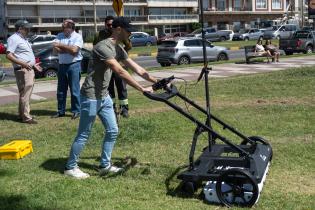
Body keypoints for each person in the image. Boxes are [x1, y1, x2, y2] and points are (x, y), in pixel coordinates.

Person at [64, 17, 158, 179]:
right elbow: (119, 71)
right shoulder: (103, 46)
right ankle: (70, 167)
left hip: (104, 95)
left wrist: (158, 82)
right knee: (84, 134)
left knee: (113, 130)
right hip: (91, 96)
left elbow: (137, 68)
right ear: (119, 29)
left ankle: (105, 165)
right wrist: (142, 89)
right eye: (128, 30)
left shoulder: (118, 48)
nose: (130, 33)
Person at [94, 15, 131, 118]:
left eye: (112, 24)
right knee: (109, 89)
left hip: (120, 65)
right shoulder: (99, 35)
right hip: (107, 67)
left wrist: (122, 48)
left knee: (122, 88)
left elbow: (128, 46)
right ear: (105, 24)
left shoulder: (119, 34)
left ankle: (124, 108)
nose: (111, 26)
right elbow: (95, 48)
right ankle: (112, 107)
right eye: (109, 24)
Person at [6, 20, 42, 124]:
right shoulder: (13, 38)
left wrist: (33, 64)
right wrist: (24, 64)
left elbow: (24, 55)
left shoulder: (23, 39)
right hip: (23, 70)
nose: (28, 29)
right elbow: (9, 55)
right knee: (25, 93)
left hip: (28, 68)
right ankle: (26, 117)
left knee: (24, 93)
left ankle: (22, 115)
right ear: (20, 29)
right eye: (26, 28)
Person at [52, 19, 83, 120]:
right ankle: (61, 111)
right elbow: (55, 51)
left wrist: (61, 46)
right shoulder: (59, 35)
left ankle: (76, 111)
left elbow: (74, 51)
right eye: (62, 27)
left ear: (71, 28)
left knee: (74, 90)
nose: (63, 29)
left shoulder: (77, 37)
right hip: (62, 66)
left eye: (65, 27)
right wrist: (68, 48)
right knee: (61, 90)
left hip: (74, 65)